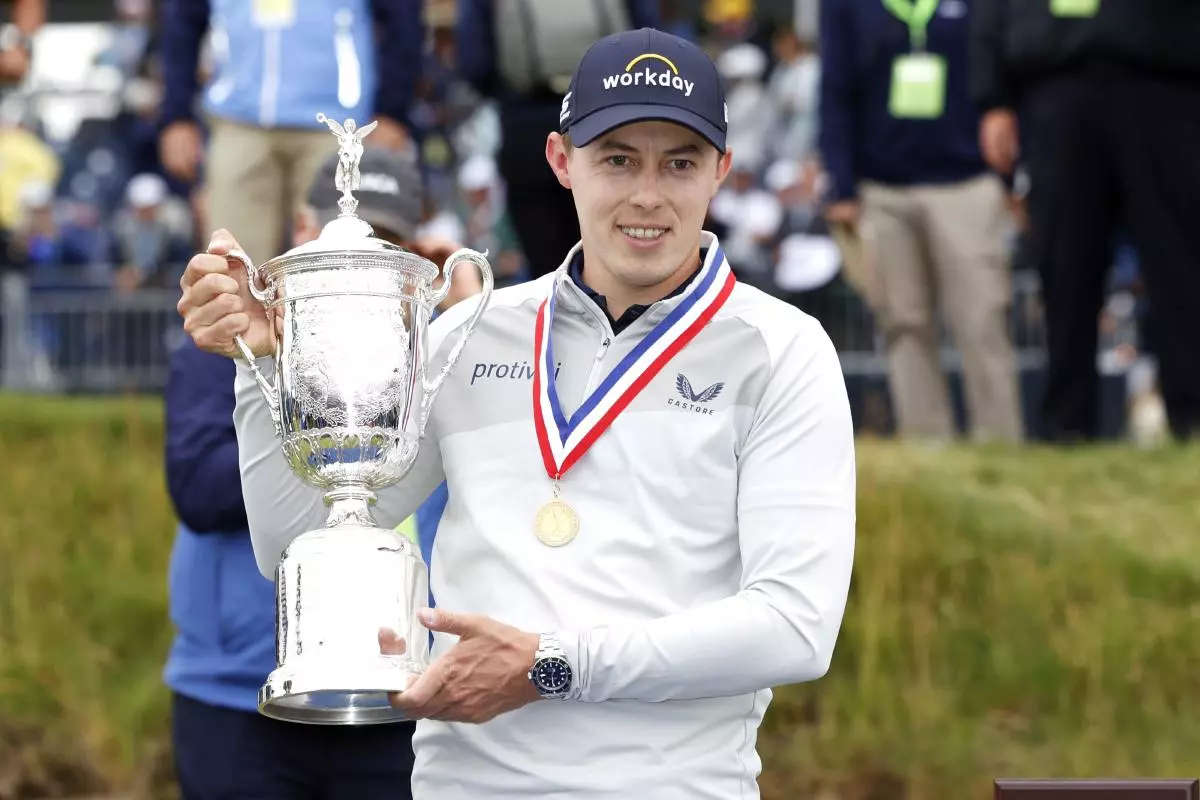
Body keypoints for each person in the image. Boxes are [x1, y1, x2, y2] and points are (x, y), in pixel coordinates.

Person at [178, 28, 856, 799]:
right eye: (617, 159)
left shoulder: (781, 349)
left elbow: (796, 626)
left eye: (680, 163)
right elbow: (291, 541)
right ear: (561, 162)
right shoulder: (470, 330)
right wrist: (265, 362)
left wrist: (549, 664)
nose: (647, 195)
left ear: (721, 172)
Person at [163, 145, 479, 800]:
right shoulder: (226, 335)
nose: (366, 261)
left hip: (401, 681)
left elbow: (479, 489)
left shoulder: (436, 358)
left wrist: (460, 337)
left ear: (416, 254)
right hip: (234, 691)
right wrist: (298, 406)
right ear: (303, 232)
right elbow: (195, 487)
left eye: (388, 241)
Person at [970, 0, 1200, 442]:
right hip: (1055, 83)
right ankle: (1066, 428)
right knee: (1063, 266)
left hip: (1164, 76)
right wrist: (993, 97)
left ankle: (1193, 422)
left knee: (1181, 263)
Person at [819, 0, 1023, 442]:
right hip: (882, 188)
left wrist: (1009, 174)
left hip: (967, 181)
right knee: (903, 321)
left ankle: (1002, 442)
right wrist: (841, 185)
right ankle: (927, 442)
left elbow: (1004, 69)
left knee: (982, 318)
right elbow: (834, 87)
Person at [158, 0, 423, 268]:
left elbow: (402, 18)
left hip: (336, 124)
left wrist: (392, 110)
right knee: (232, 266)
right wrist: (176, 114)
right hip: (237, 119)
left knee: (333, 263)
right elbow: (182, 20)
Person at [455, 0, 660, 277]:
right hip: (608, 111)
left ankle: (554, 315)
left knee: (546, 261)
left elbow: (474, 62)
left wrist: (509, 94)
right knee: (613, 243)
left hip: (526, 118)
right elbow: (651, 40)